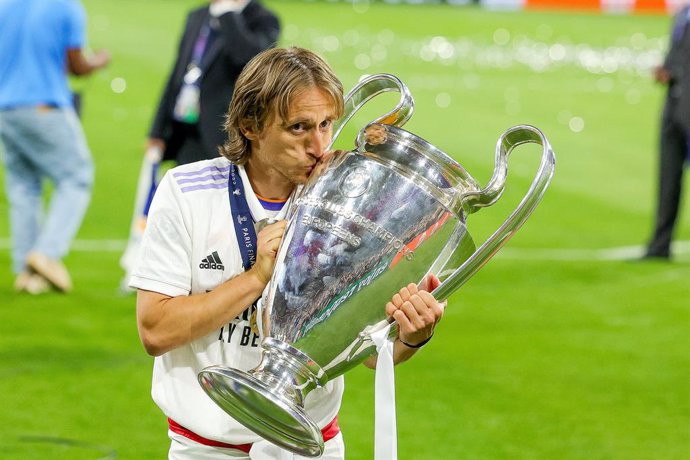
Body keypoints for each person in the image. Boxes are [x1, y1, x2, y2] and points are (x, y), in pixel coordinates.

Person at [130, 47, 444, 459]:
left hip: (308, 446)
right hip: (206, 449)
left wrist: (410, 335)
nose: (319, 145)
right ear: (250, 126)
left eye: (326, 124)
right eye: (298, 128)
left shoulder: (356, 206)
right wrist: (256, 279)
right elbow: (155, 330)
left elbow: (367, 354)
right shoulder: (187, 192)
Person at [0, 0, 111, 294]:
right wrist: (99, 60)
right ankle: (47, 254)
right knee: (77, 176)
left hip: (5, 109)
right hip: (44, 105)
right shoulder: (66, 7)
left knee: (24, 186)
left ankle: (26, 273)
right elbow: (77, 65)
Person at [148, 0, 280, 165]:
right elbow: (177, 72)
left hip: (223, 136)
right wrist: (157, 131)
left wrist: (227, 14)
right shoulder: (198, 15)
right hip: (186, 130)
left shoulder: (263, 18)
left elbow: (247, 58)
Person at [644, 3, 690, 260]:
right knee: (668, 178)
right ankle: (659, 246)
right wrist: (667, 72)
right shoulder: (682, 14)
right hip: (673, 107)